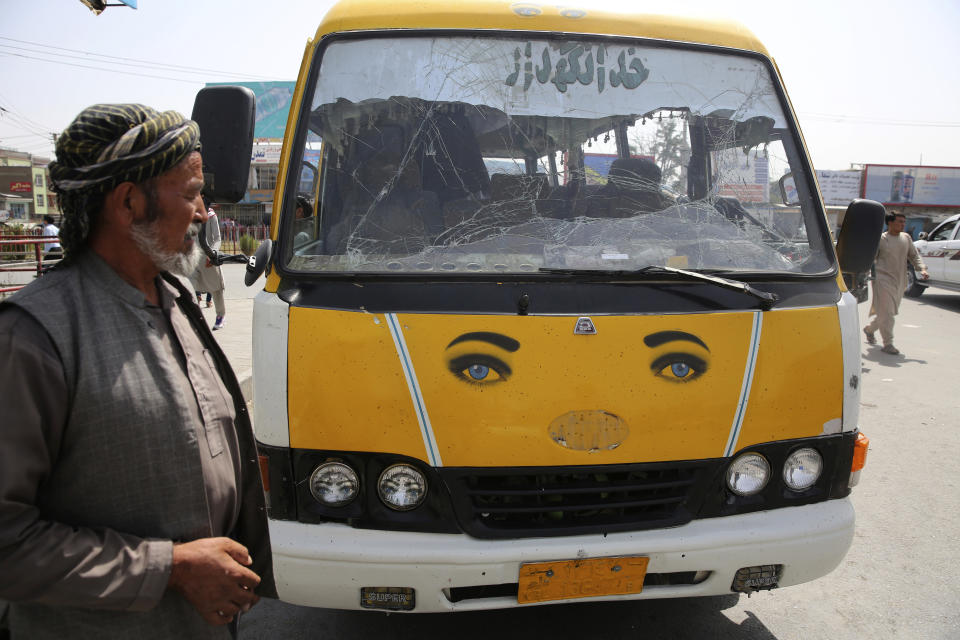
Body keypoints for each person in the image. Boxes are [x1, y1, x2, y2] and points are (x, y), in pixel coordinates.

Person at [0, 104, 274, 639]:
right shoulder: (33, 337)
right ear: (128, 203)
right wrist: (168, 568)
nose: (202, 213)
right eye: (191, 192)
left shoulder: (174, 298)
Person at [863, 211, 928, 355]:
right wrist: (865, 273)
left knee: (887, 313)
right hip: (882, 279)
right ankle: (888, 343)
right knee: (887, 313)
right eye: (899, 221)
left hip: (900, 280)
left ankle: (869, 329)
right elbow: (871, 259)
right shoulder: (881, 239)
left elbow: (914, 256)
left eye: (904, 222)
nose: (902, 224)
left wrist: (921, 269)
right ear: (890, 223)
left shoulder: (906, 238)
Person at [189, 201, 227, 330]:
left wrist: (213, 254)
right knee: (189, 287)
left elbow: (217, 238)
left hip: (208, 259)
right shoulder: (189, 215)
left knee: (216, 289)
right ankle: (193, 317)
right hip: (192, 259)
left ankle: (221, 315)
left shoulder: (211, 216)